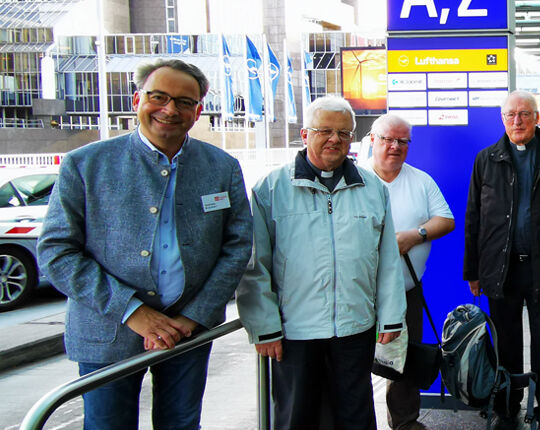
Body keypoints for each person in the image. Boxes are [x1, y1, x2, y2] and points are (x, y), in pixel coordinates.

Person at [37, 60, 253, 430]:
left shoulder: (222, 166)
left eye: (184, 102)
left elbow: (237, 247)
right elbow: (57, 252)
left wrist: (193, 316)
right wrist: (133, 311)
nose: (170, 109)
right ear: (138, 99)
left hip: (189, 330)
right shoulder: (85, 165)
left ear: (198, 110)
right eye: (159, 97)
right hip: (108, 331)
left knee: (181, 425)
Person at [237, 96, 406, 430]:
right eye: (325, 131)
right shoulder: (270, 189)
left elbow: (387, 260)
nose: (335, 139)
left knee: (355, 415)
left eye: (344, 133)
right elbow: (256, 265)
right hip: (295, 331)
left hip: (355, 326)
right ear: (304, 134)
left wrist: (390, 318)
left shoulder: (371, 188)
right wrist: (264, 326)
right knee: (296, 416)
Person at [464, 91, 540, 430]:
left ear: (536, 118)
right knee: (507, 344)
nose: (516, 121)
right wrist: (472, 270)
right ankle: (508, 407)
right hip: (500, 269)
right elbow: (473, 217)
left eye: (524, 114)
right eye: (510, 115)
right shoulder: (486, 159)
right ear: (503, 119)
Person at [364, 113, 456, 430]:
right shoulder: (355, 178)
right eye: (388, 139)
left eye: (402, 141)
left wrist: (413, 236)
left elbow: (445, 220)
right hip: (358, 293)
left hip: (406, 289)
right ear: (372, 140)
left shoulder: (420, 180)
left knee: (402, 359)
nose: (395, 146)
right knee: (354, 361)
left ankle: (405, 423)